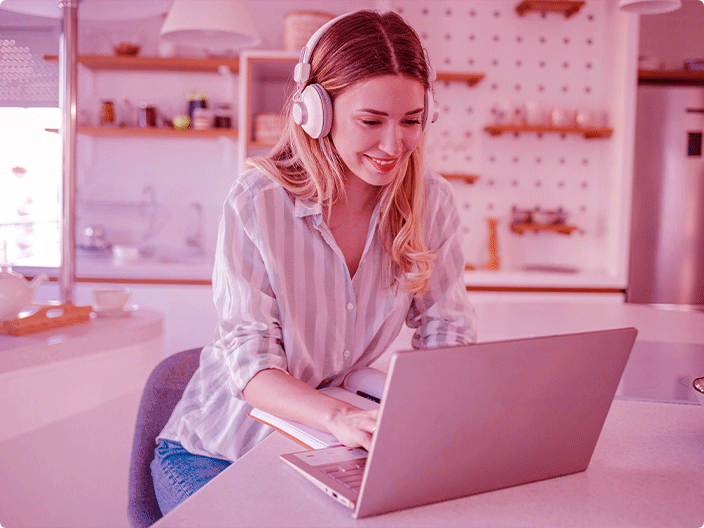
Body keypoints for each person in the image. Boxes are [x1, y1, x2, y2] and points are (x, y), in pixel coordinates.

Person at [151, 9, 477, 516]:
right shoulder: (258, 200)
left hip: (326, 444)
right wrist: (341, 418)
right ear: (315, 112)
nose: (395, 146)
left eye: (411, 121)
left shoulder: (430, 202)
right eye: (371, 121)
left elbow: (447, 329)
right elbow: (251, 365)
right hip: (215, 452)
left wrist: (436, 416)